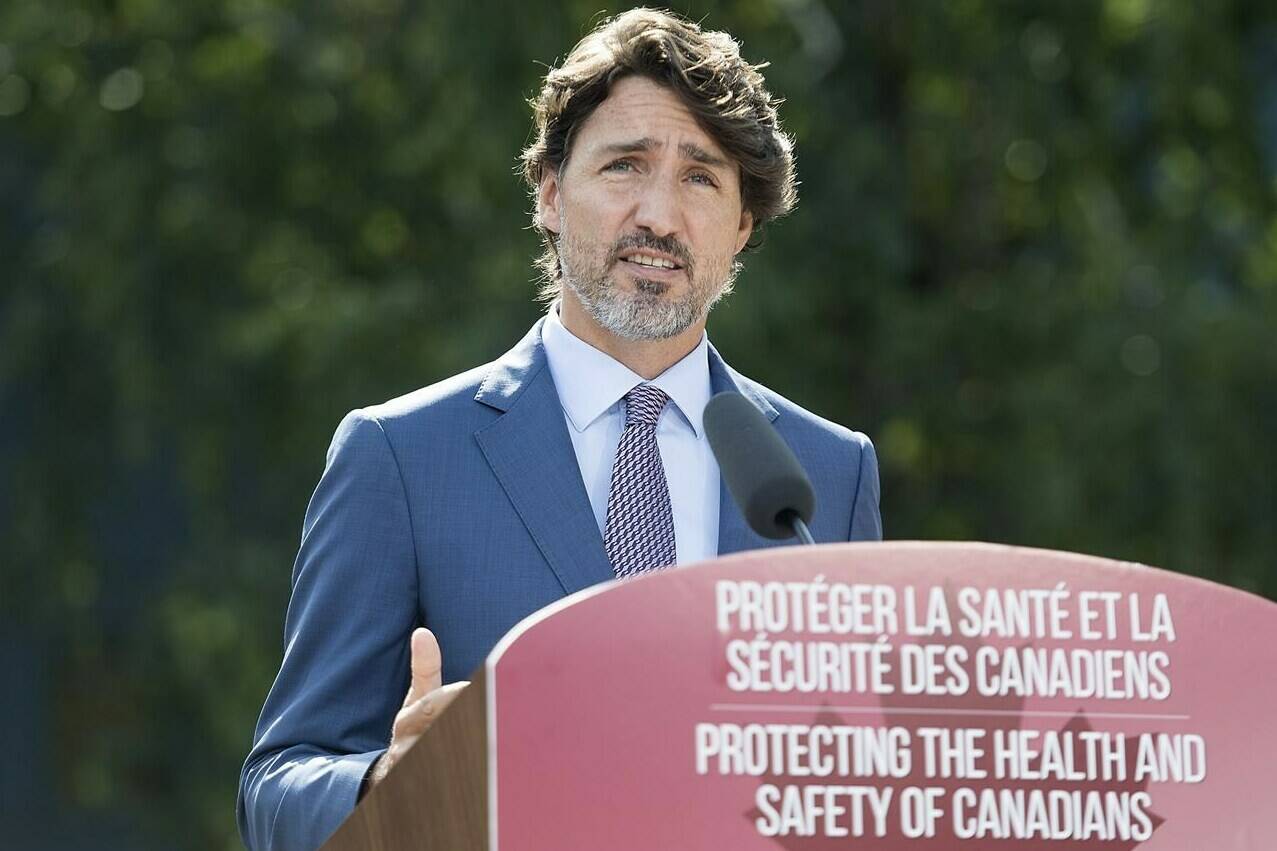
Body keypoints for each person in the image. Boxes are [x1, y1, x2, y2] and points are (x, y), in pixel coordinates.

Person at [237, 8, 882, 850]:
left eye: (700, 178)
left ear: (742, 225)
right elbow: (274, 792)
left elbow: (865, 792)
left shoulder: (825, 477)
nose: (658, 214)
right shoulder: (398, 456)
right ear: (548, 192)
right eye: (624, 166)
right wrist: (385, 784)